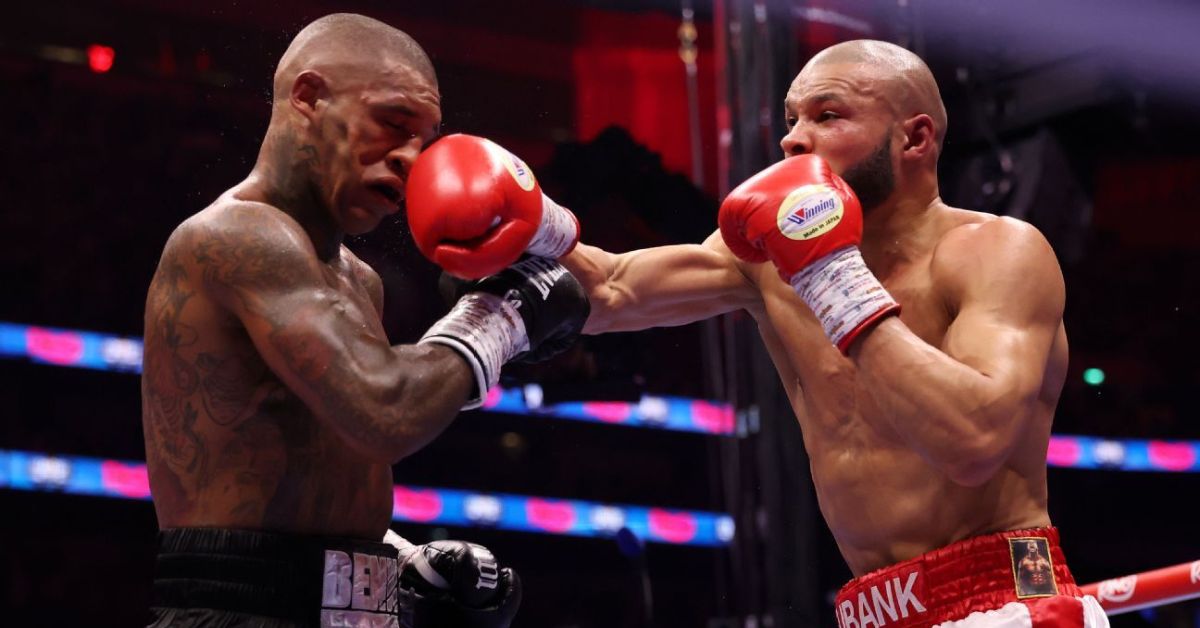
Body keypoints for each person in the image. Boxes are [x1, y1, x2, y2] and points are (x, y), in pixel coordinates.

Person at [405, 40, 1108, 627]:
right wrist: (531, 220)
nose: (794, 137)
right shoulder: (769, 261)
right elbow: (614, 287)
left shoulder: (998, 252)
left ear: (915, 138)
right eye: (792, 118)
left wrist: (832, 278)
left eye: (828, 115)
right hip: (871, 609)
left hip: (1005, 596)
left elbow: (974, 442)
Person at [140, 13, 589, 628]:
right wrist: (503, 314)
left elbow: (323, 465)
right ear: (308, 98)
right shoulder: (238, 235)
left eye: (424, 139)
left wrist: (401, 563)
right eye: (393, 123)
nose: (411, 158)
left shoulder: (359, 279)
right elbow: (386, 412)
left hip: (346, 607)